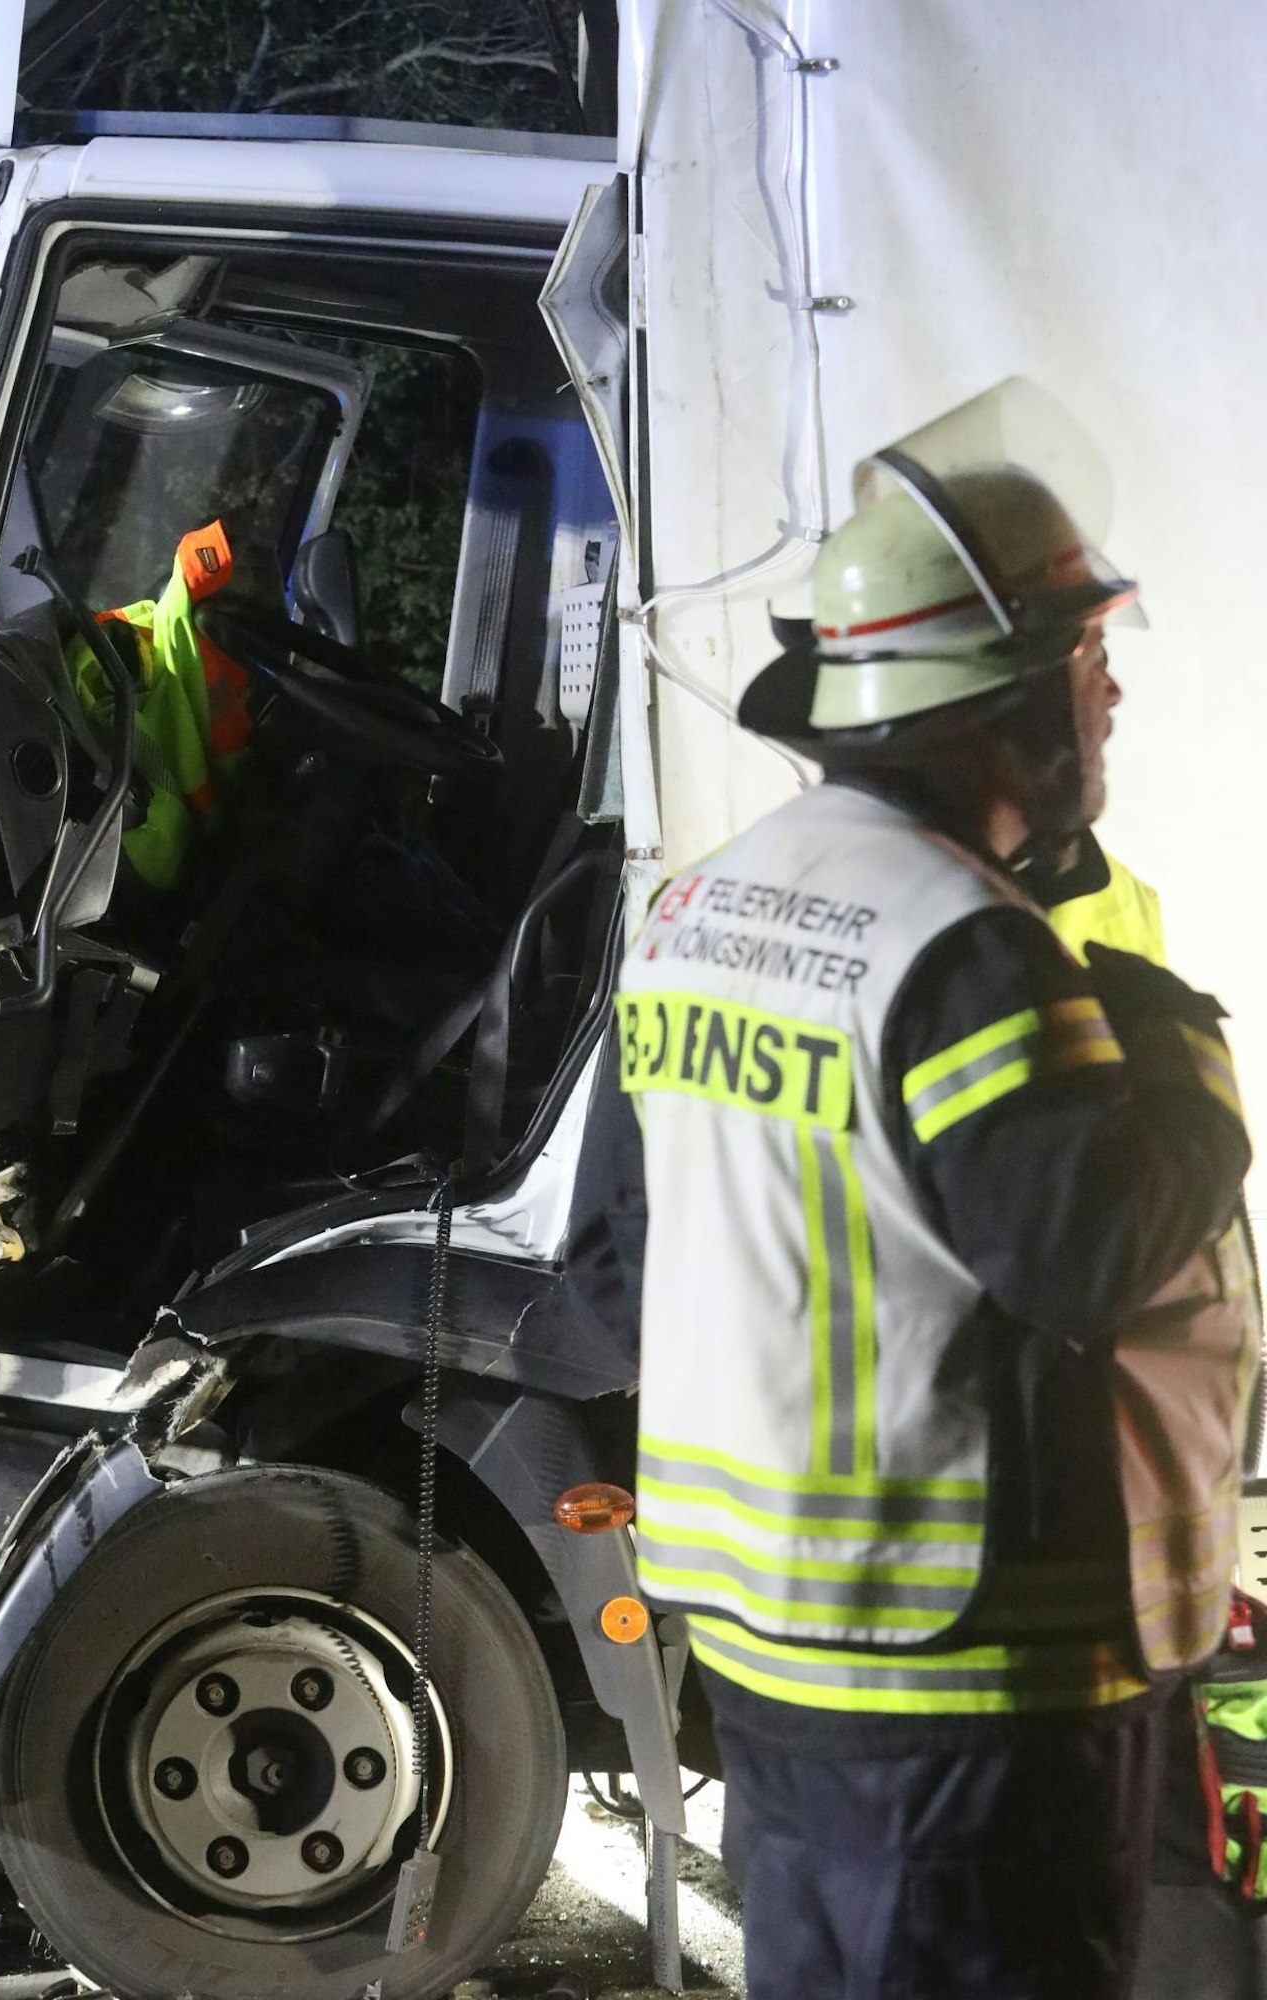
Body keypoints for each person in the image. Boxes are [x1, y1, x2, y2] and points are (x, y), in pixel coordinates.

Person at [618, 382, 1255, 2000]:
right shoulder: (966, 951)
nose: (1111, 691)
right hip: (960, 1684)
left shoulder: (716, 903)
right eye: (1086, 656)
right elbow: (1085, 1252)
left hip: (777, 1653)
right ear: (1003, 705)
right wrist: (1184, 1064)